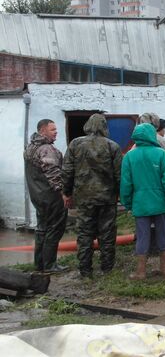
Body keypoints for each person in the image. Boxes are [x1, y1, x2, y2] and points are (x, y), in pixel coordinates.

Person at [62, 114, 122, 278]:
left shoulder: (75, 144)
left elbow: (67, 171)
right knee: (107, 233)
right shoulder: (113, 146)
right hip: (106, 197)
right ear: (104, 127)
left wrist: (66, 193)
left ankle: (85, 270)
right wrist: (119, 194)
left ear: (88, 125)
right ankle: (107, 267)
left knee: (84, 234)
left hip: (84, 197)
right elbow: (119, 175)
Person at [120, 123, 165, 280]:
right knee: (163, 235)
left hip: (140, 203)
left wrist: (128, 203)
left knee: (142, 236)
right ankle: (164, 269)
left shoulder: (129, 157)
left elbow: (126, 183)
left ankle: (141, 272)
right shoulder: (161, 154)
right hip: (160, 203)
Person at [23, 119, 69, 274]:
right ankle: (50, 265)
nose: (56, 132)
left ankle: (39, 264)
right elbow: (54, 175)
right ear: (42, 131)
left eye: (56, 129)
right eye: (52, 129)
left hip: (37, 196)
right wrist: (64, 194)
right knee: (55, 228)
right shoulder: (46, 150)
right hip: (51, 196)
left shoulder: (30, 147)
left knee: (41, 229)